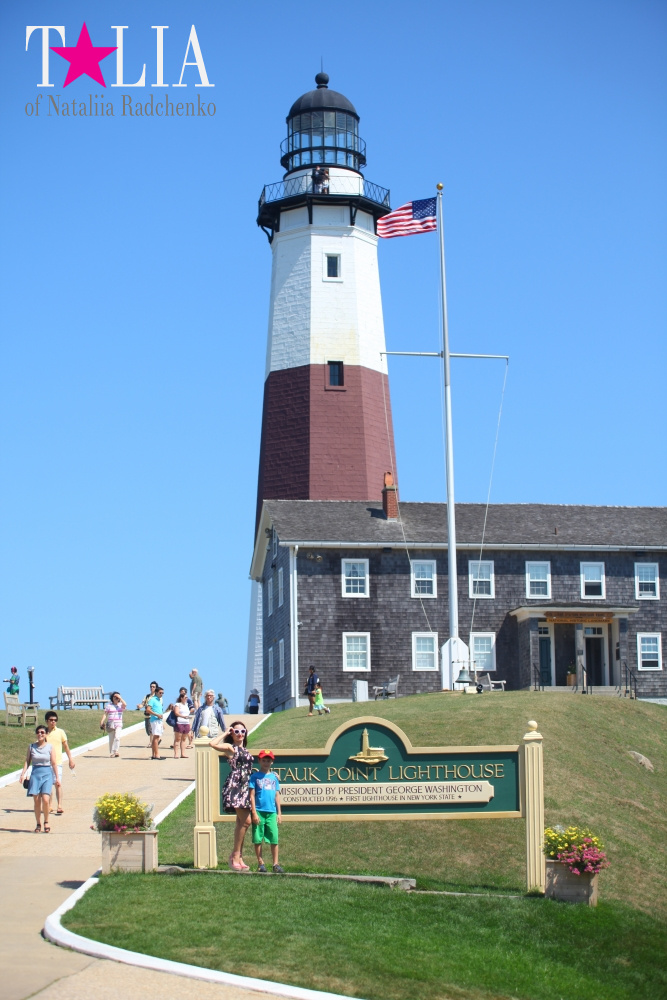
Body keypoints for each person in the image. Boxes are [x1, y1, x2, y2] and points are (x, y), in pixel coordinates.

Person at [211, 722, 253, 871]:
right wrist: (225, 732)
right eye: (236, 731)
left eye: (242, 730)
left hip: (246, 787)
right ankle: (235, 855)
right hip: (235, 787)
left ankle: (239, 857)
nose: (240, 733)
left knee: (241, 823)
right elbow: (212, 743)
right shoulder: (231, 748)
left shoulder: (245, 749)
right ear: (232, 733)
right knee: (247, 821)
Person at [18, 724, 60, 833]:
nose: (40, 734)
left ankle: (46, 821)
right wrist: (23, 773)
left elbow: (54, 763)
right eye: (38, 732)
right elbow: (27, 761)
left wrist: (57, 778)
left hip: (47, 773)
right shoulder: (31, 746)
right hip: (35, 774)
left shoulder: (50, 747)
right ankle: (38, 823)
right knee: (36, 801)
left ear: (46, 734)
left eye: (42, 732)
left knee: (46, 800)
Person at [249, 749, 284, 873]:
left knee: (274, 838)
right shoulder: (254, 777)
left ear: (272, 762)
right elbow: (252, 795)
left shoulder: (274, 778)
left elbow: (277, 796)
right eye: (263, 760)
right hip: (258, 811)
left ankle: (275, 864)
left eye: (268, 760)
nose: (266, 763)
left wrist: (279, 813)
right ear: (259, 761)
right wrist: (253, 812)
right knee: (258, 838)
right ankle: (261, 863)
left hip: (272, 812)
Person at [44, 710, 75, 814]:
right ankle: (49, 805)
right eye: (51, 720)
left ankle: (59, 805)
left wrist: (70, 759)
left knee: (58, 783)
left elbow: (66, 746)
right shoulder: (43, 733)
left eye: (55, 720)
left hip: (57, 762)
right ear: (46, 721)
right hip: (46, 763)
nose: (53, 722)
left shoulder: (60, 732)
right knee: (48, 785)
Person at [100, 691, 126, 757]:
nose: (116, 698)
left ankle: (116, 751)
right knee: (111, 738)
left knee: (117, 737)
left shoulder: (120, 705)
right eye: (115, 697)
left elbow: (125, 704)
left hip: (118, 724)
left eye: (117, 697)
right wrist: (102, 721)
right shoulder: (109, 706)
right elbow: (105, 714)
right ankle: (112, 752)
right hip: (111, 724)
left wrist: (120, 697)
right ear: (112, 698)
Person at [145, 686, 165, 760]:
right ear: (156, 692)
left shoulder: (159, 700)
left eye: (163, 693)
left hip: (159, 720)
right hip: (155, 720)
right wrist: (157, 715)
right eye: (160, 693)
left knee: (156, 737)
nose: (161, 694)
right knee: (156, 737)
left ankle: (154, 754)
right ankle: (157, 754)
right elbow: (148, 710)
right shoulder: (152, 699)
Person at [171, 690, 192, 758]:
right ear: (181, 698)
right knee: (178, 739)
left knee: (184, 739)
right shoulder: (178, 704)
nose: (186, 698)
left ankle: (183, 753)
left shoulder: (186, 705)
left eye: (187, 697)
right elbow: (176, 713)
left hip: (186, 723)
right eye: (185, 697)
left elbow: (189, 711)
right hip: (180, 723)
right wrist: (183, 716)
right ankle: (176, 753)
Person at [137, 681, 159, 746]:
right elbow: (143, 704)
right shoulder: (147, 696)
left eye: (153, 687)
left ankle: (151, 742)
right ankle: (155, 741)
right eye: (151, 687)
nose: (152, 688)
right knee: (148, 730)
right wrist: (139, 706)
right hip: (147, 715)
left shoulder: (157, 697)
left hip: (154, 715)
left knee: (152, 730)